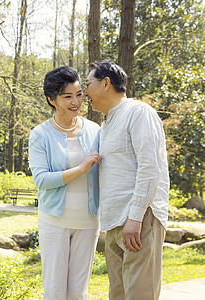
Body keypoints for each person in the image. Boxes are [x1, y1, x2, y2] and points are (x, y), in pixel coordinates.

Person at [84, 60, 169, 300]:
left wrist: (135, 217)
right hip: (114, 223)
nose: (85, 93)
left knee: (139, 294)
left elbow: (150, 168)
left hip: (140, 219)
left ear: (106, 83)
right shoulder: (107, 123)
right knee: (119, 295)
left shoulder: (139, 112)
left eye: (88, 84)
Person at [28, 66, 102, 300]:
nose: (76, 102)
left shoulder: (95, 131)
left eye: (79, 94)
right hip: (55, 221)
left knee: (79, 292)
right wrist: (80, 169)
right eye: (67, 96)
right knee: (55, 290)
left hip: (88, 221)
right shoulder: (40, 134)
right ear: (52, 99)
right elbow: (41, 180)